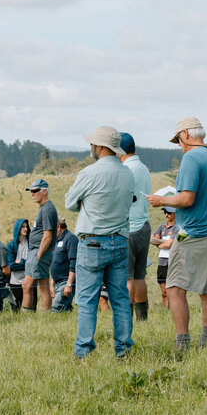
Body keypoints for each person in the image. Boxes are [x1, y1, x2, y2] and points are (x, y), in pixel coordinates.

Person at [146, 117, 207, 350]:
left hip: (194, 232)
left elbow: (186, 198)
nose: (179, 146)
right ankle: (206, 343)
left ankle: (182, 343)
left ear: (185, 134)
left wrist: (161, 200)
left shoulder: (191, 157)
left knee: (173, 287)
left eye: (178, 141)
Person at [64, 126, 135, 358]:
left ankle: (83, 350)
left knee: (87, 299)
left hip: (93, 242)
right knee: (120, 299)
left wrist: (86, 205)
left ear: (100, 147)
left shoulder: (89, 173)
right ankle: (123, 349)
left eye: (93, 143)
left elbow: (70, 203)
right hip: (120, 241)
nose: (91, 147)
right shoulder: (128, 173)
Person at [119, 132, 152, 321]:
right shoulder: (143, 168)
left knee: (127, 277)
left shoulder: (127, 170)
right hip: (144, 226)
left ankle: (127, 317)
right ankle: (142, 317)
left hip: (130, 226)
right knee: (140, 276)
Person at [23, 178, 57, 312]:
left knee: (28, 285)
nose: (32, 193)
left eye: (35, 190)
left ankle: (28, 314)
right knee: (42, 285)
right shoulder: (44, 208)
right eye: (31, 191)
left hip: (40, 251)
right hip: (38, 251)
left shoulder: (47, 209)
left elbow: (47, 236)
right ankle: (44, 315)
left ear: (44, 191)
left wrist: (38, 255)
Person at [151, 195, 179, 308]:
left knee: (172, 291)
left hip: (173, 261)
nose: (166, 215)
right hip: (162, 261)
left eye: (169, 213)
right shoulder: (161, 227)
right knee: (164, 292)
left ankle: (174, 310)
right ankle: (165, 311)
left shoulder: (178, 228)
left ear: (175, 214)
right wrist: (163, 243)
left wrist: (161, 243)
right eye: (165, 212)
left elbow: (170, 244)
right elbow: (151, 240)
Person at [50, 220, 79, 313]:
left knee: (55, 308)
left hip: (66, 282)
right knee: (65, 309)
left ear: (58, 227)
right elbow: (55, 263)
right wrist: (52, 284)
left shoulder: (71, 239)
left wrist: (69, 284)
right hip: (58, 283)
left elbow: (73, 262)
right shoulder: (56, 240)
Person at [5, 219, 29, 312]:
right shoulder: (11, 245)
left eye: (26, 226)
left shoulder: (31, 244)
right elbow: (11, 265)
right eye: (23, 227)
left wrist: (20, 262)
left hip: (29, 279)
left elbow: (34, 262)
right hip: (15, 281)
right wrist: (26, 262)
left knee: (30, 308)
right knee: (15, 309)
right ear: (18, 228)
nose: (25, 229)